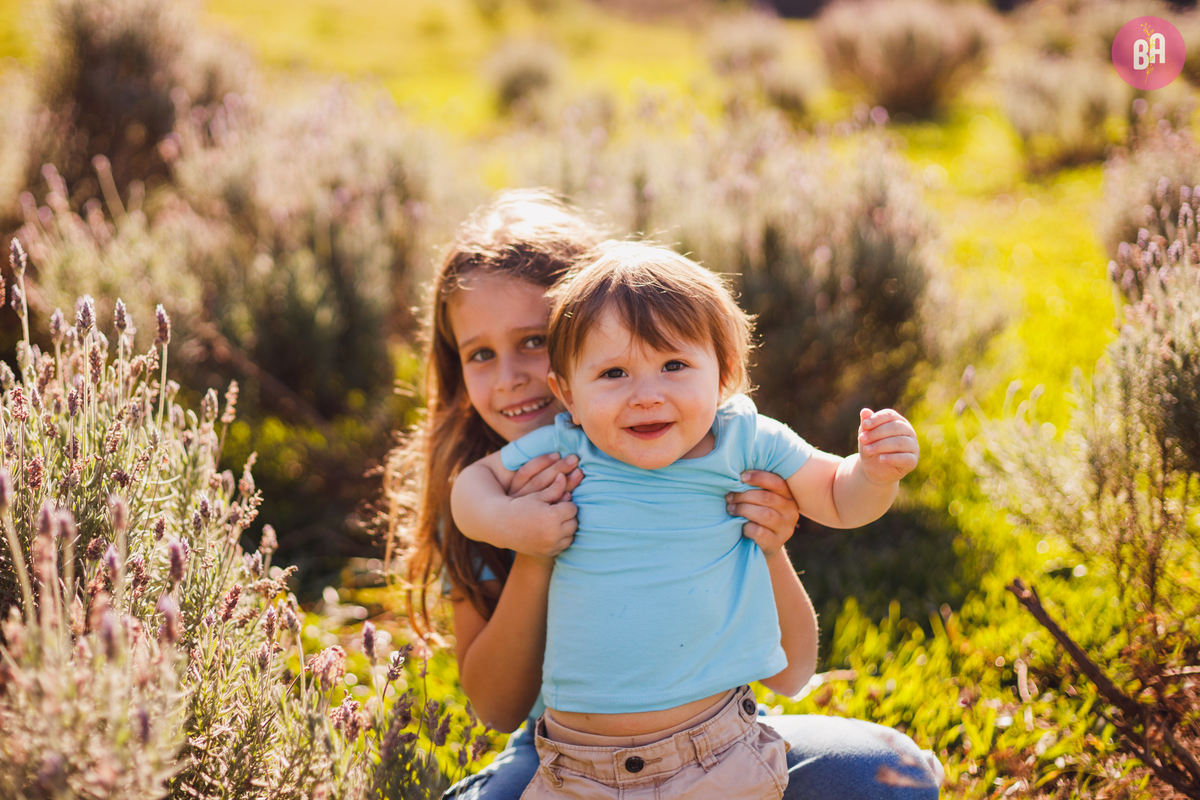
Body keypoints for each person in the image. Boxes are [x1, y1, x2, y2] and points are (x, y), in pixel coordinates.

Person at [391, 191, 942, 799]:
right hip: (563, 755)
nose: (510, 377)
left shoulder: (725, 444)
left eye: (532, 339)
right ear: (567, 385)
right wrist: (528, 542)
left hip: (713, 737)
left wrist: (796, 526)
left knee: (891, 775)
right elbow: (496, 707)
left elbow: (791, 670)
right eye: (480, 354)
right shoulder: (490, 489)